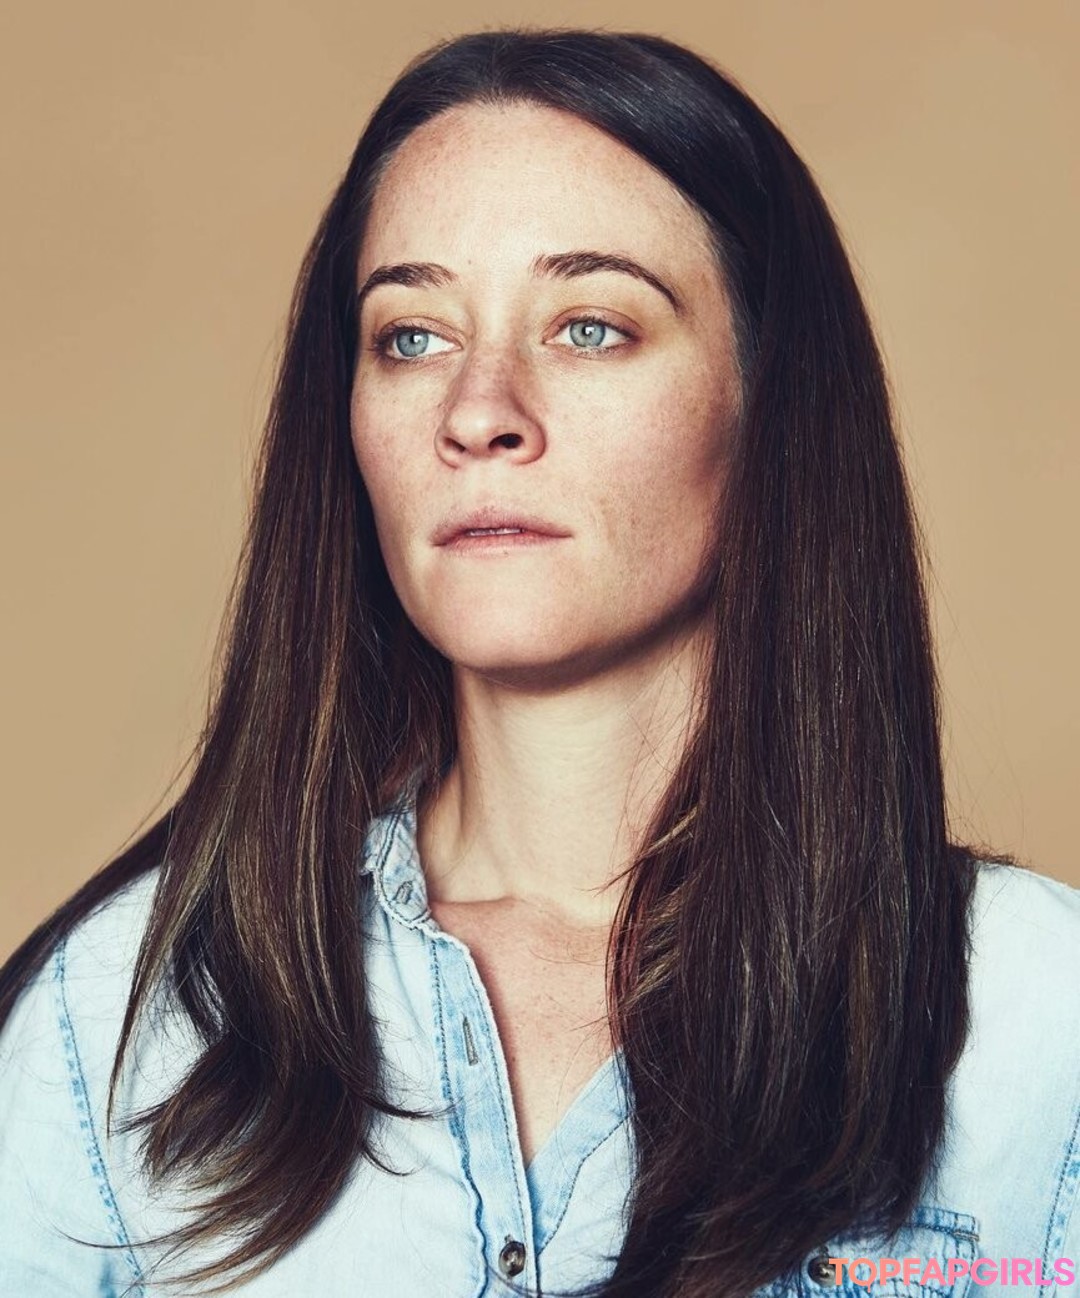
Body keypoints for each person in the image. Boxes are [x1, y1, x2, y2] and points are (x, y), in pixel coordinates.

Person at [1, 25, 1077, 1298]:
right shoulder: (115, 1019)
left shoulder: (1040, 1021)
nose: (478, 411)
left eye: (591, 327)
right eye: (411, 336)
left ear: (768, 402)